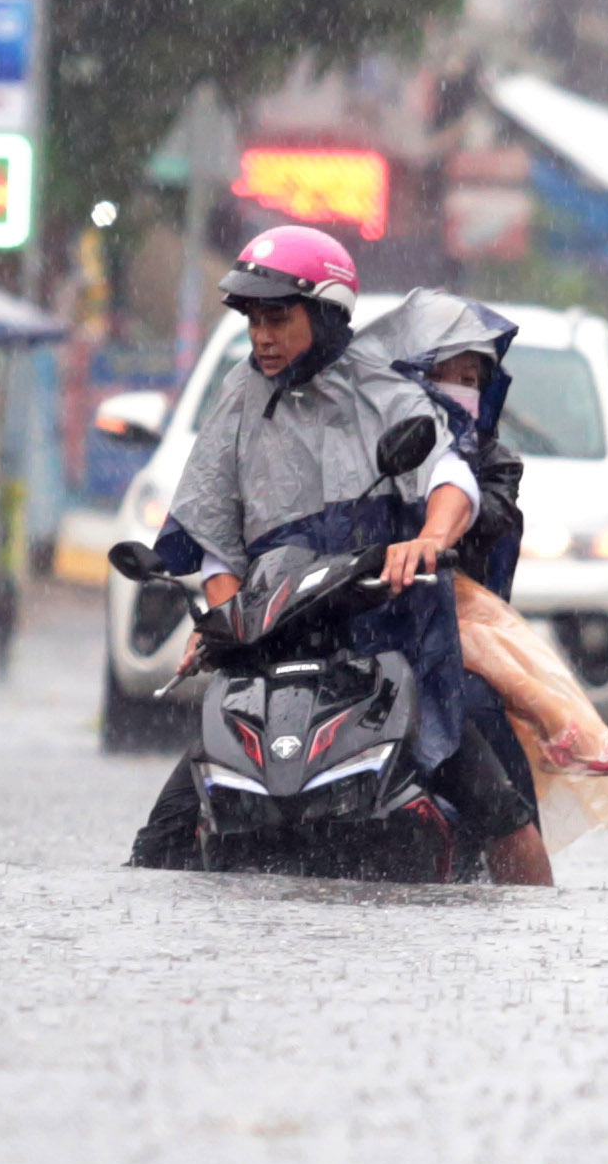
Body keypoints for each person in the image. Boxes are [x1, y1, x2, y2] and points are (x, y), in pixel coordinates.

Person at [128, 229, 547, 885]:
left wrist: (430, 538)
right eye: (254, 321)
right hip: (276, 642)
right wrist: (225, 619)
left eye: (278, 318)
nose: (262, 336)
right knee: (163, 834)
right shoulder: (240, 395)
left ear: (325, 312)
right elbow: (215, 536)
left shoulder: (379, 387)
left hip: (388, 642)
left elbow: (452, 478)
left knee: (500, 810)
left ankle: (541, 922)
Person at [368, 288, 608, 845]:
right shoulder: (358, 446)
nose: (461, 391)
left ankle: (524, 846)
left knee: (486, 740)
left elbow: (483, 511)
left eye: (472, 380)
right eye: (447, 375)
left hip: (445, 632)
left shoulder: (492, 462)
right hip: (346, 627)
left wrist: (432, 536)